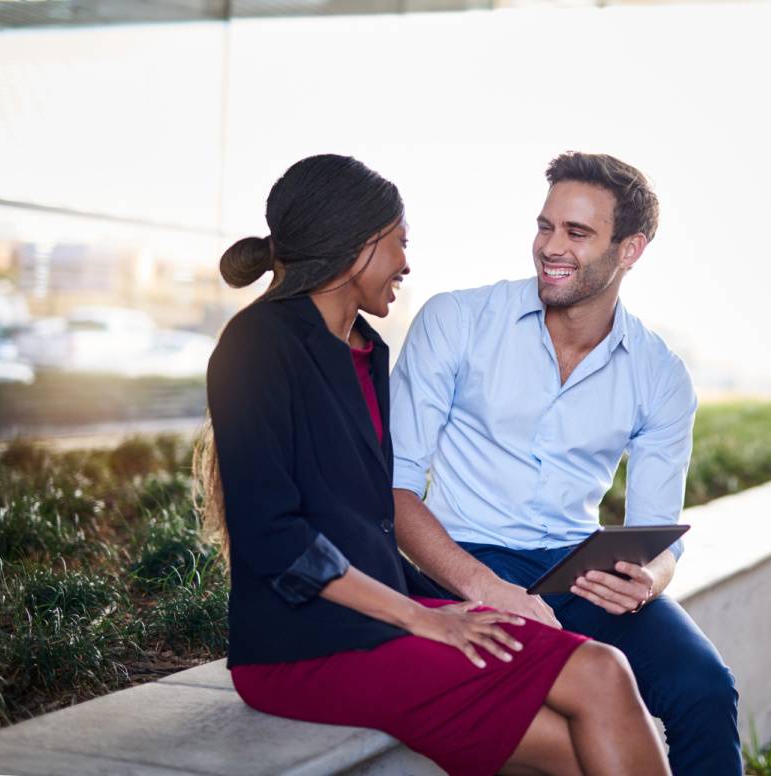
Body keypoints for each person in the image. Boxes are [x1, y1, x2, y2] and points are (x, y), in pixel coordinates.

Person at [196, 154, 669, 776]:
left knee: (598, 693)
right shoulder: (258, 343)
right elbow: (275, 539)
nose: (407, 263)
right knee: (592, 707)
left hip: (383, 616)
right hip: (302, 649)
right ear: (357, 248)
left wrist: (455, 607)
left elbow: (369, 527)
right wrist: (423, 618)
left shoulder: (366, 351)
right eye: (399, 244)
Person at [389, 152, 742, 775]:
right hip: (463, 560)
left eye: (577, 233)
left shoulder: (659, 374)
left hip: (579, 573)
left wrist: (649, 580)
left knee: (705, 688)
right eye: (546, 226)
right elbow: (395, 491)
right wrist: (486, 588)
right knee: (562, 715)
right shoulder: (457, 322)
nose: (551, 247)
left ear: (630, 250)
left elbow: (660, 533)